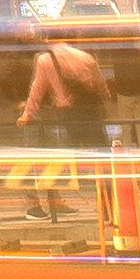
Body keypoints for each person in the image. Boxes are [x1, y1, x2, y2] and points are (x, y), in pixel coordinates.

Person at [14, 29, 112, 223]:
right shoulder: (86, 57)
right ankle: (108, 208)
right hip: (92, 113)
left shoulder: (45, 59)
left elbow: (37, 90)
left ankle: (55, 202)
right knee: (101, 162)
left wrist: (26, 115)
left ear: (48, 39)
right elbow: (102, 86)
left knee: (66, 161)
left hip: (68, 115)